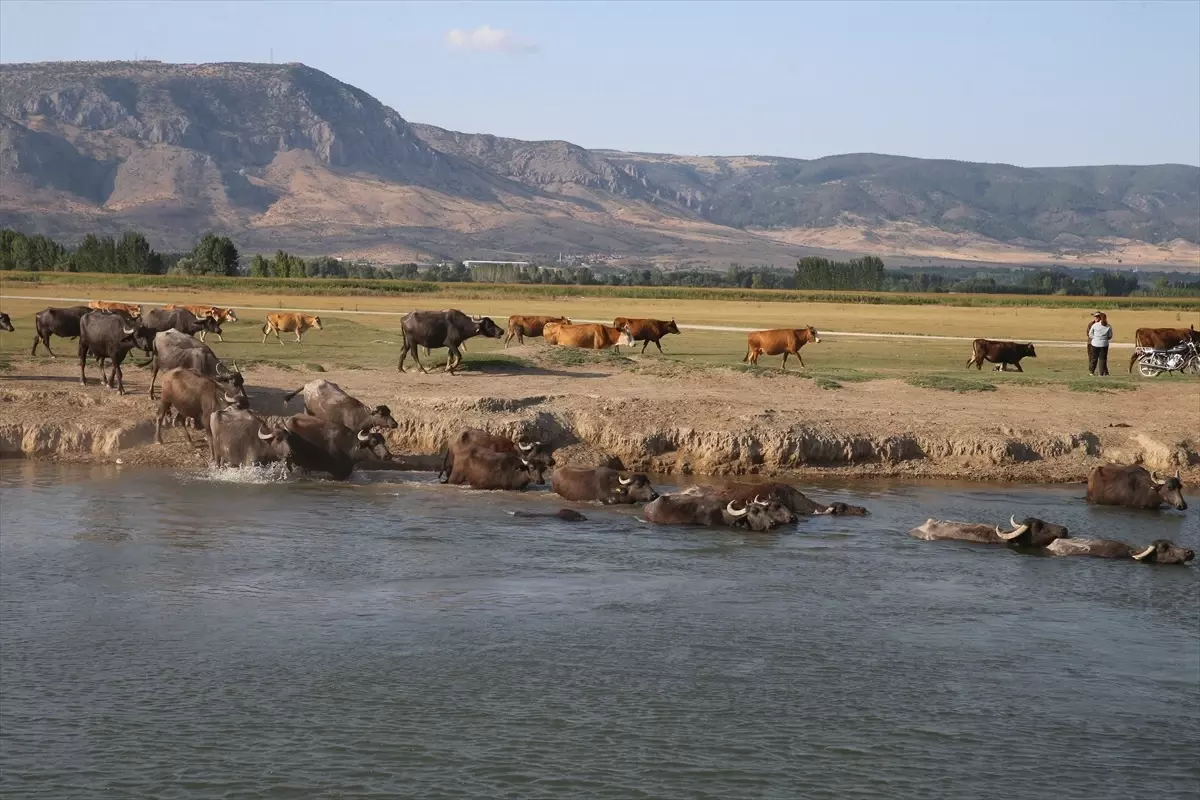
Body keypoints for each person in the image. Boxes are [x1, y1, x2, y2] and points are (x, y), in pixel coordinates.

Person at [1087, 311, 1113, 376]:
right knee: (1102, 359)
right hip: (1104, 344)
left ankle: (1092, 372)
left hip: (1094, 343)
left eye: (1096, 316)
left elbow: (1090, 334)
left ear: (1100, 318)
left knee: (1094, 358)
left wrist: (1095, 338)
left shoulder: (1094, 325)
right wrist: (1104, 339)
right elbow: (1110, 336)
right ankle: (1101, 373)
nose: (1095, 318)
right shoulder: (1108, 326)